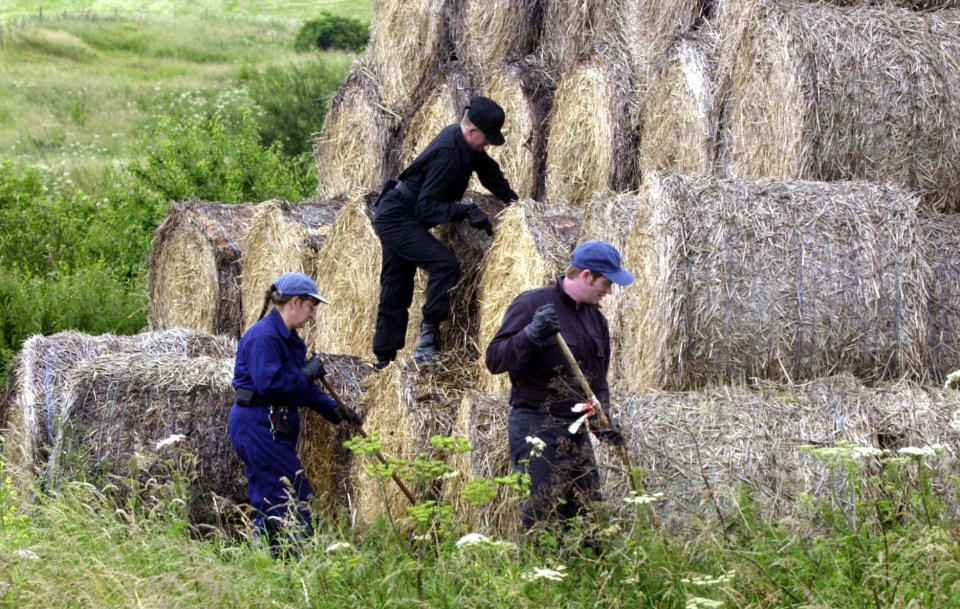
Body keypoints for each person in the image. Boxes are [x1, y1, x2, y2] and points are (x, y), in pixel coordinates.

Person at [484, 241, 634, 533]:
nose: (610, 291)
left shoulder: (596, 320)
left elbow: (597, 381)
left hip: (576, 430)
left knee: (589, 517)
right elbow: (494, 360)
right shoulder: (532, 305)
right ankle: (540, 576)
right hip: (536, 426)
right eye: (606, 282)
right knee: (543, 517)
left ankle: (588, 574)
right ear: (587, 275)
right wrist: (529, 335)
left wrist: (604, 424)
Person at [373, 95, 519, 370]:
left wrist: (515, 203)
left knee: (396, 285)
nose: (488, 144)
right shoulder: (449, 155)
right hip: (398, 216)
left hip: (400, 213)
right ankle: (428, 337)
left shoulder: (462, 140)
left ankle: (384, 358)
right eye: (487, 138)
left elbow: (488, 172)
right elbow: (426, 208)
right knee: (444, 265)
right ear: (472, 131)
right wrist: (464, 211)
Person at [229, 271, 361, 555]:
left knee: (270, 502)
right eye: (312, 307)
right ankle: (306, 566)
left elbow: (301, 390)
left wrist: (335, 410)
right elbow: (271, 384)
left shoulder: (290, 340)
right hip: (257, 424)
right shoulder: (263, 337)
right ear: (295, 303)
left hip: (271, 425)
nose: (313, 315)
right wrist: (305, 373)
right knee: (297, 500)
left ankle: (265, 562)